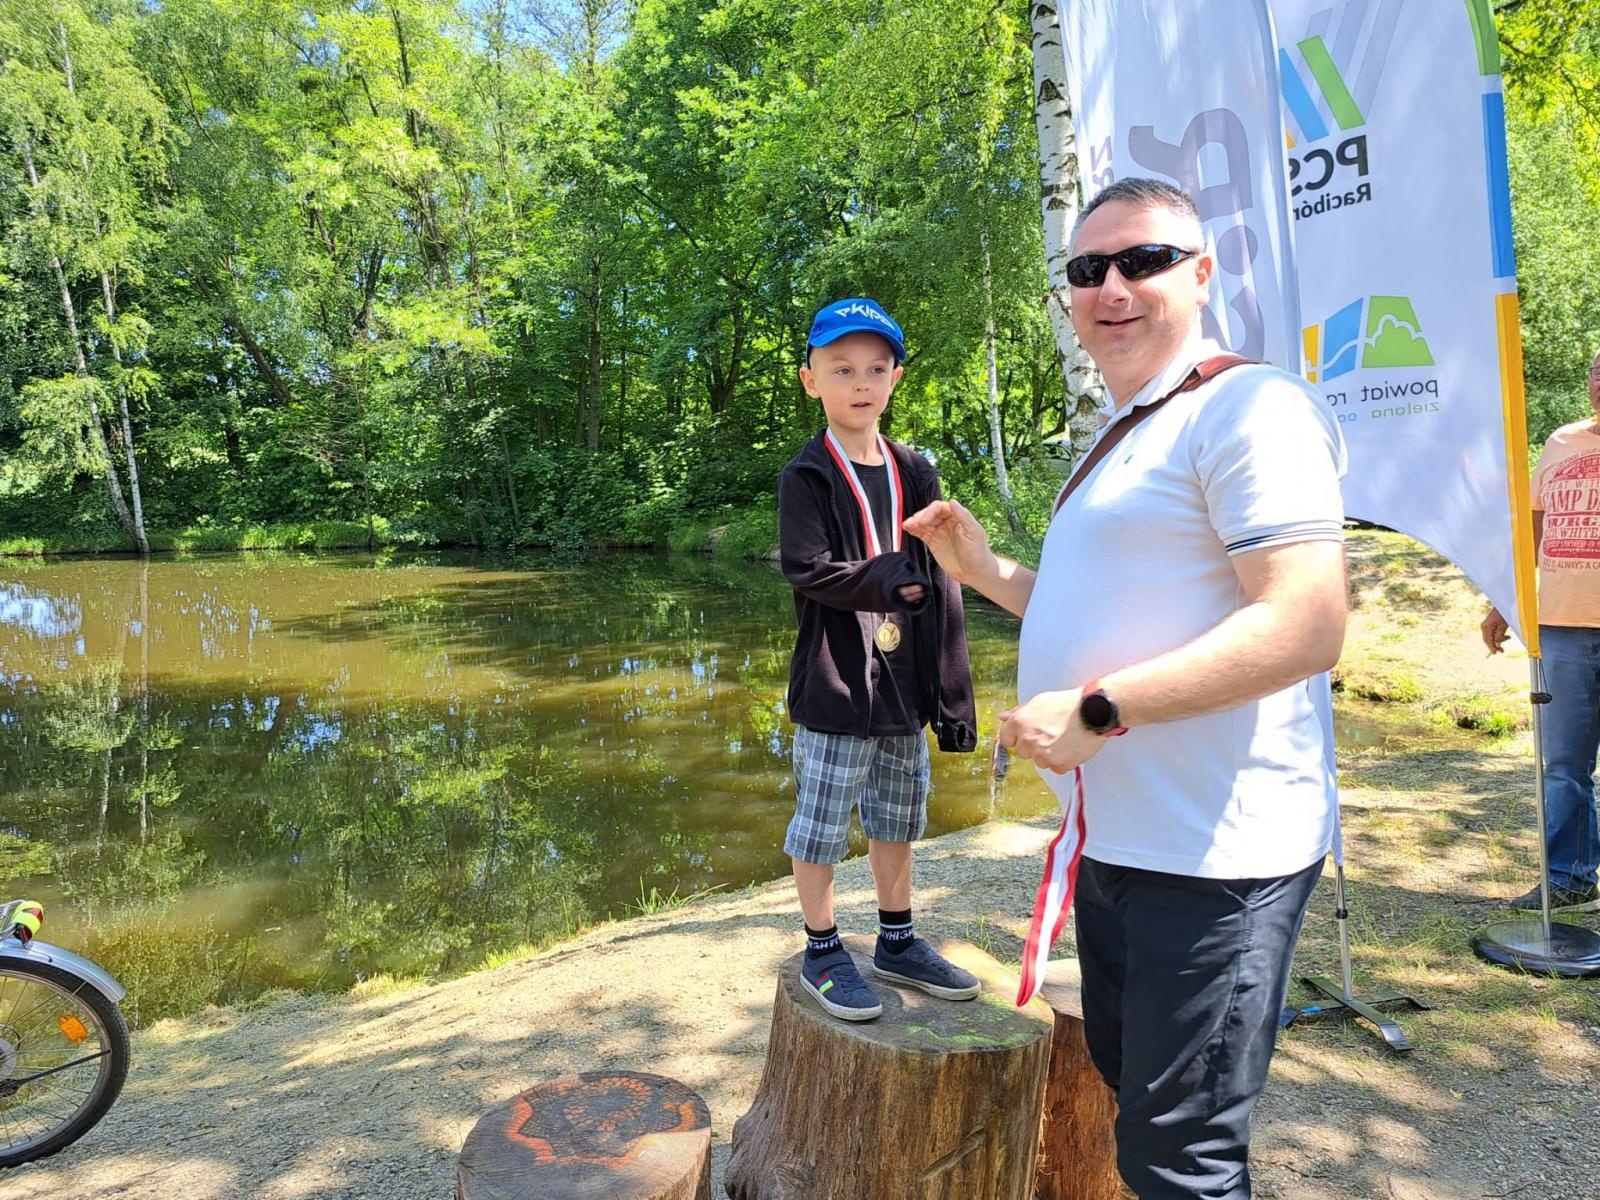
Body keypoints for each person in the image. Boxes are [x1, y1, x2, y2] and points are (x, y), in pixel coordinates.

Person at [903, 178, 1347, 1200]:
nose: (1110, 284)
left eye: (1141, 260)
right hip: (1112, 843)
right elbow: (1097, 606)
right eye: (1085, 268)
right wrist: (984, 572)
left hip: (1214, 858)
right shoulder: (1125, 432)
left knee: (1178, 1159)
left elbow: (1304, 621)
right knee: (1124, 1094)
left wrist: (1100, 710)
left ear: (1199, 273)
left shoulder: (1249, 405)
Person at [775, 296, 981, 1022]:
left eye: (875, 367)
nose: (859, 382)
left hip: (903, 682)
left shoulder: (916, 472)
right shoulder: (808, 475)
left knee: (898, 818)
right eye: (841, 368)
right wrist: (889, 574)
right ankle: (823, 948)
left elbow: (945, 578)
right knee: (823, 824)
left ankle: (896, 940)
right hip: (836, 681)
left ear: (894, 378)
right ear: (811, 380)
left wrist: (953, 694)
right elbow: (806, 568)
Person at [1481, 346, 1600, 913]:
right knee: (1565, 767)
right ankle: (1570, 877)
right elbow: (1532, 527)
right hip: (1560, 628)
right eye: (1597, 371)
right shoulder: (1561, 442)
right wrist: (1502, 601)